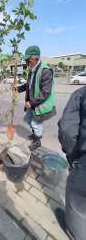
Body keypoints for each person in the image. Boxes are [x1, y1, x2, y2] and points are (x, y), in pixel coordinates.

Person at [12, 45, 56, 151]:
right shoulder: (33, 70)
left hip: (40, 104)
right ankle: (36, 134)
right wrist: (18, 88)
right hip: (33, 103)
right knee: (27, 119)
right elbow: (29, 85)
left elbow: (45, 92)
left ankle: (37, 141)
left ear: (36, 58)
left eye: (28, 61)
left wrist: (31, 102)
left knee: (36, 123)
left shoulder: (45, 71)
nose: (27, 64)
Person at [57, 86, 86, 240]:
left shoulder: (81, 94)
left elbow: (67, 129)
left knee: (78, 213)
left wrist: (74, 159)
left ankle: (73, 229)